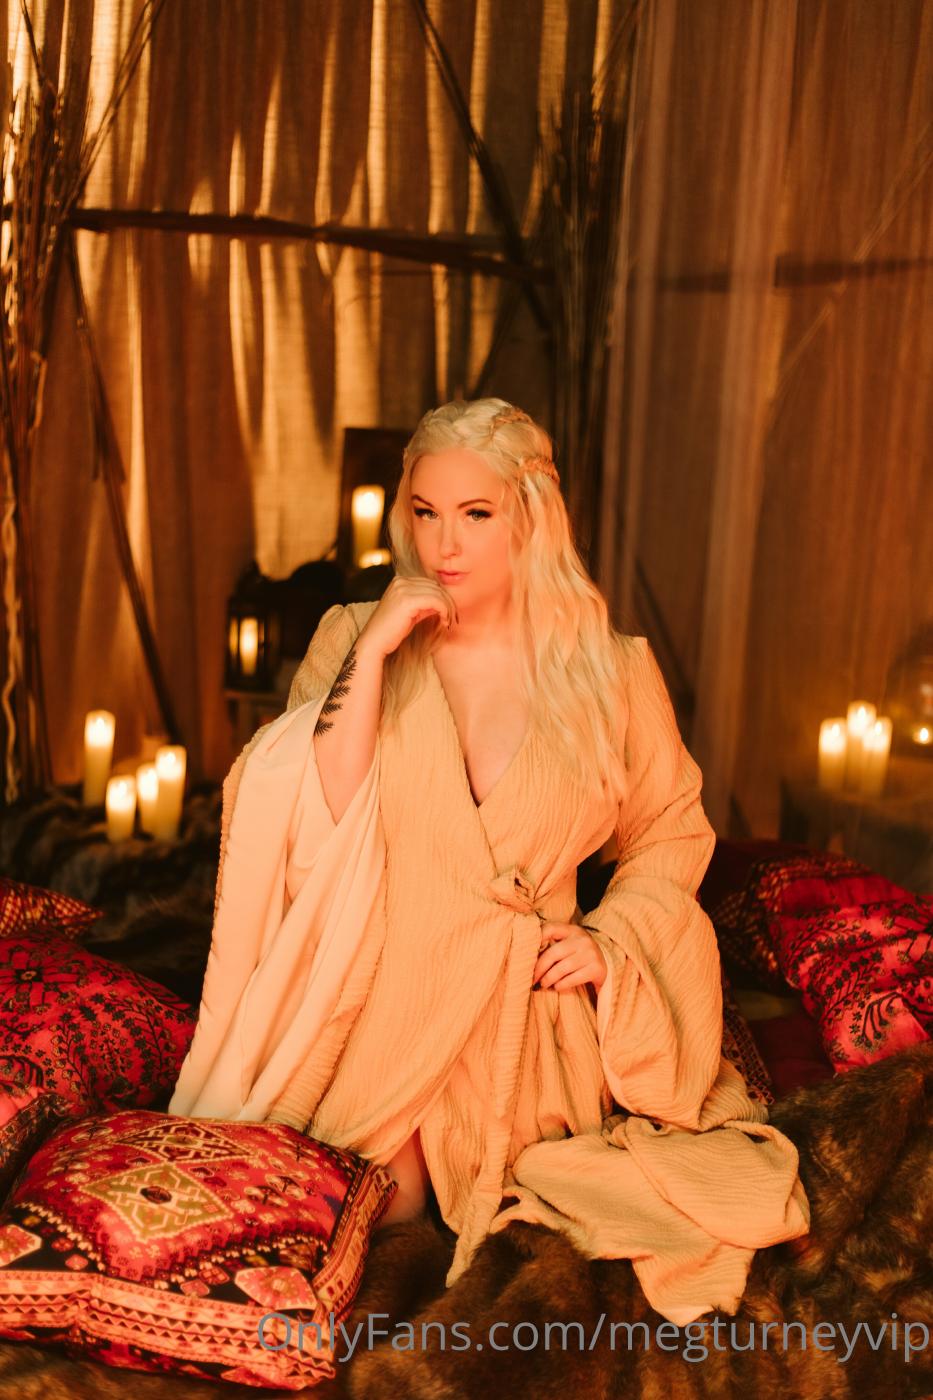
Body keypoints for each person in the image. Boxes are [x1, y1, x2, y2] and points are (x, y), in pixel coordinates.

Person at [170, 398, 810, 1327]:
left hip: (525, 1007)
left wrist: (610, 946)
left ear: (529, 515)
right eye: (425, 512)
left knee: (563, 1199)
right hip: (381, 990)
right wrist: (377, 650)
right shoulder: (356, 633)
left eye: (475, 514)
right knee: (352, 1213)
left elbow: (669, 832)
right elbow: (310, 812)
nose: (444, 544)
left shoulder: (607, 667)